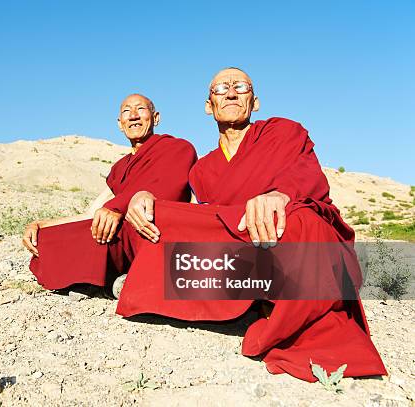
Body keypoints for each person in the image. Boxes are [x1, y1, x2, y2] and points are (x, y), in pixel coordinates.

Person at [117, 68, 387, 382]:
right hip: (240, 244)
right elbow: (202, 217)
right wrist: (144, 196)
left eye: (240, 86)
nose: (231, 93)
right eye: (221, 89)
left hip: (282, 233)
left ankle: (276, 311)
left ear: (254, 101)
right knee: (157, 216)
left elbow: (309, 176)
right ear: (209, 105)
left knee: (306, 221)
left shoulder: (283, 132)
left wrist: (279, 194)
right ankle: (249, 295)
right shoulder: (202, 169)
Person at [24, 93, 197, 291]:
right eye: (126, 111)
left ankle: (121, 278)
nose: (133, 115)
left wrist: (117, 208)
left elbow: (168, 188)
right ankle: (119, 278)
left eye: (140, 109)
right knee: (49, 238)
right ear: (119, 123)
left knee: (102, 236)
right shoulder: (120, 167)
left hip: (155, 233)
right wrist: (41, 225)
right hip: (120, 234)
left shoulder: (177, 148)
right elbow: (94, 211)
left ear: (155, 117)